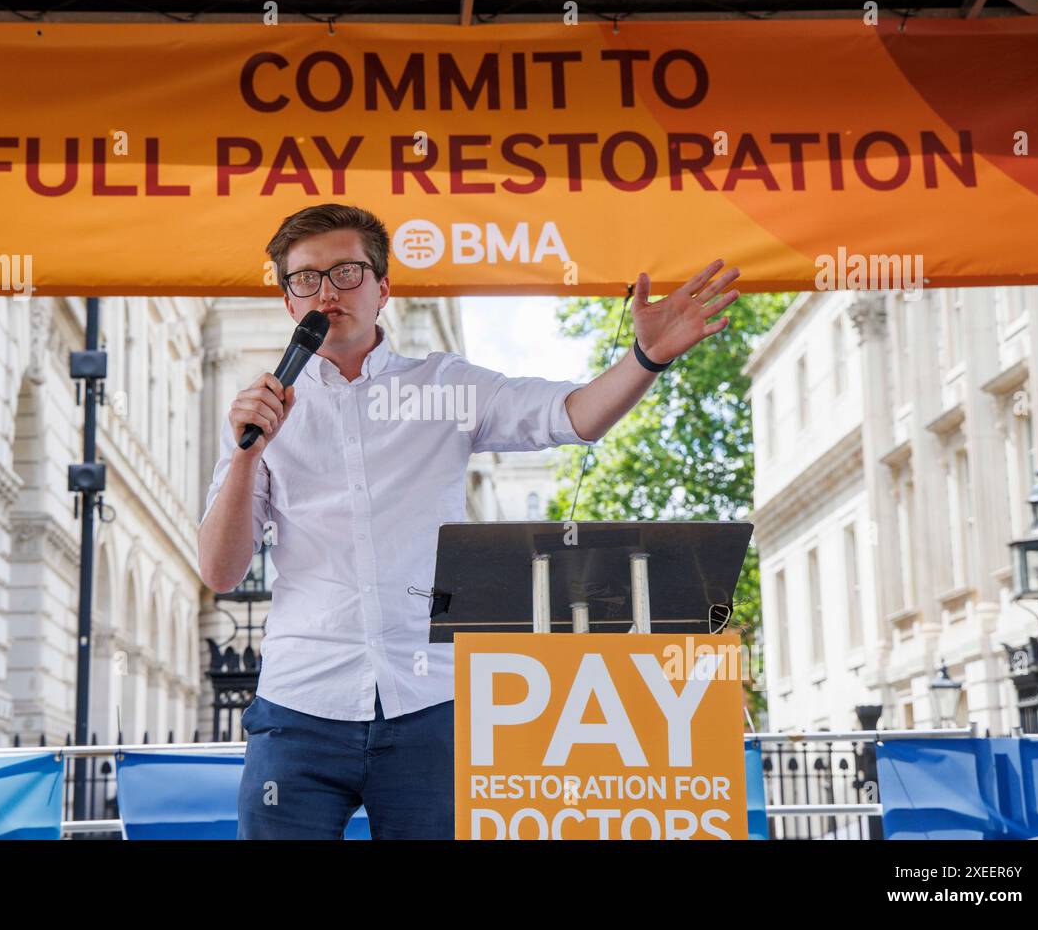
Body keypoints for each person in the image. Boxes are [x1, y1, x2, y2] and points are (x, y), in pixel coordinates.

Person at [196, 203, 739, 839]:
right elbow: (220, 570)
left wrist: (644, 358)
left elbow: (572, 416)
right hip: (299, 710)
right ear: (289, 302)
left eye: (346, 273)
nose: (326, 292)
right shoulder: (263, 410)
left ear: (383, 288)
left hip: (429, 708)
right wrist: (247, 454)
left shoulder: (446, 386)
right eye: (305, 279)